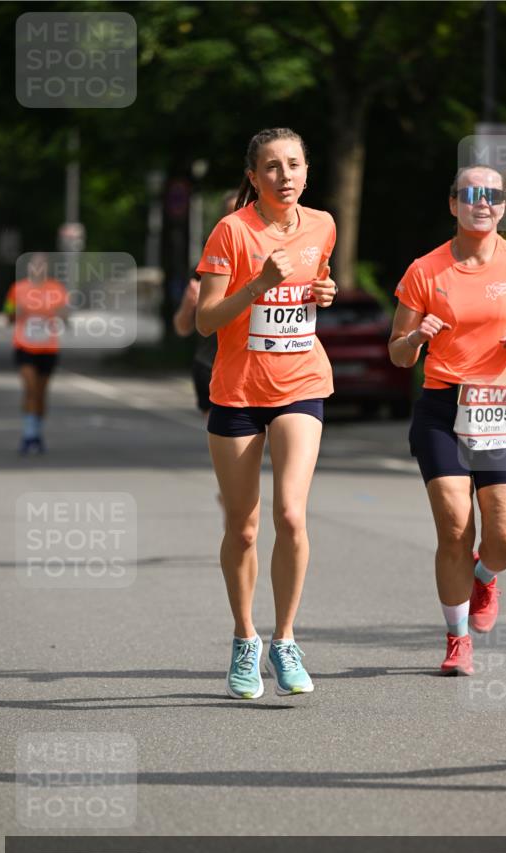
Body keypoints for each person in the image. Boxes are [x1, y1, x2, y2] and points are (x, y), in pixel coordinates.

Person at [389, 162, 506, 676]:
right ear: (454, 204)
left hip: (504, 408)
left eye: (491, 195)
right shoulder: (425, 270)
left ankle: (485, 576)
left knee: (505, 539)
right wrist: (418, 336)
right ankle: (456, 638)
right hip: (445, 408)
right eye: (470, 194)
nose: (481, 202)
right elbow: (398, 354)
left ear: (503, 206)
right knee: (454, 528)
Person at [195, 127, 337, 699]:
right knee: (244, 527)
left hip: (302, 381)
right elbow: (207, 321)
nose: (285, 176)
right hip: (237, 391)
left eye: (294, 165)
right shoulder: (231, 231)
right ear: (253, 177)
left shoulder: (323, 224)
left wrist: (321, 292)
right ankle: (244, 638)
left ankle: (285, 639)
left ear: (307, 171)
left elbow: (316, 284)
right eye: (272, 167)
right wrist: (259, 283)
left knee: (292, 515)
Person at [174, 191, 238, 415]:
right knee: (227, 444)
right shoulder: (208, 265)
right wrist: (189, 303)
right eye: (230, 215)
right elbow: (182, 328)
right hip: (211, 366)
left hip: (256, 368)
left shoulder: (271, 266)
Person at [3, 252, 69, 454]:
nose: (38, 269)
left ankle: (37, 433)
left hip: (48, 348)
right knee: (30, 388)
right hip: (25, 346)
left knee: (41, 393)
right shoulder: (18, 289)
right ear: (29, 268)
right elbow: (8, 315)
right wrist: (16, 313)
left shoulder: (56, 289)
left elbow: (66, 316)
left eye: (42, 265)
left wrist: (61, 314)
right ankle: (28, 435)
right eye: (35, 265)